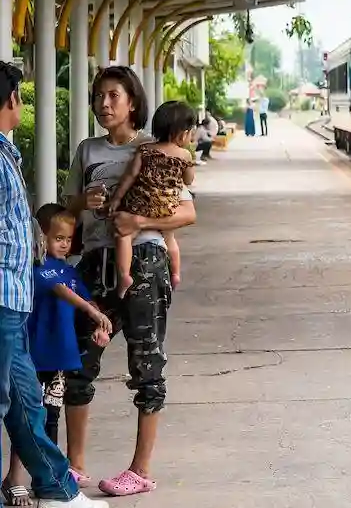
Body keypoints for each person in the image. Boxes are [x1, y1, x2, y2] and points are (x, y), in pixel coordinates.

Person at [62, 67, 197, 498]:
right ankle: (74, 464)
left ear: (132, 102)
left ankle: (140, 469)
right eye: (99, 96)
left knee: (146, 364)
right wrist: (85, 201)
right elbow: (67, 206)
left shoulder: (156, 148)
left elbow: (187, 212)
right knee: (78, 364)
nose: (104, 104)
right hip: (95, 265)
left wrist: (140, 219)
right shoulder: (87, 150)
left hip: (145, 261)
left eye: (113, 96)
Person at [0, 61, 106, 508]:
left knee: (27, 406)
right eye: (19, 95)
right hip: (3, 298)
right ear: (9, 101)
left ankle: (59, 491)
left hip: (15, 301)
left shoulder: (7, 154)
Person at [3, 206, 112, 507]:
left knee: (48, 418)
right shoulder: (39, 268)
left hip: (59, 358)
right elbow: (61, 290)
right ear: (41, 238)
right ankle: (15, 478)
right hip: (35, 355)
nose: (63, 244)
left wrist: (96, 325)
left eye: (68, 238)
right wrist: (91, 310)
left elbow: (82, 296)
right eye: (57, 238)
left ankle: (49, 480)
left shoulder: (69, 269)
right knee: (27, 417)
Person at [102, 102, 194, 299]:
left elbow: (129, 176)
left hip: (140, 205)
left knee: (124, 236)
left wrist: (116, 199)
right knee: (170, 239)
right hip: (167, 207)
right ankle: (176, 274)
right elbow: (188, 179)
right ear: (183, 134)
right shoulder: (184, 155)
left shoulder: (144, 150)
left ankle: (124, 275)